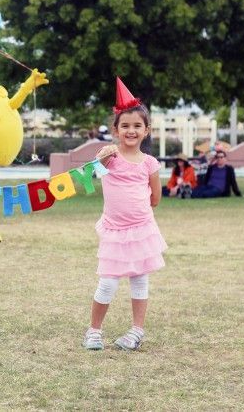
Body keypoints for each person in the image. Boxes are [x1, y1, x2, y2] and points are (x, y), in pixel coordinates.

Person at [83, 77, 167, 351]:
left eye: (137, 126)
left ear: (146, 130)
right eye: (125, 126)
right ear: (116, 130)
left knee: (140, 281)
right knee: (107, 283)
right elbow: (93, 174)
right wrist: (102, 159)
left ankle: (136, 331)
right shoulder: (109, 157)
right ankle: (94, 331)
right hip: (114, 231)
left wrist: (140, 212)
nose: (131, 130)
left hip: (142, 230)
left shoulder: (150, 163)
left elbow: (155, 197)